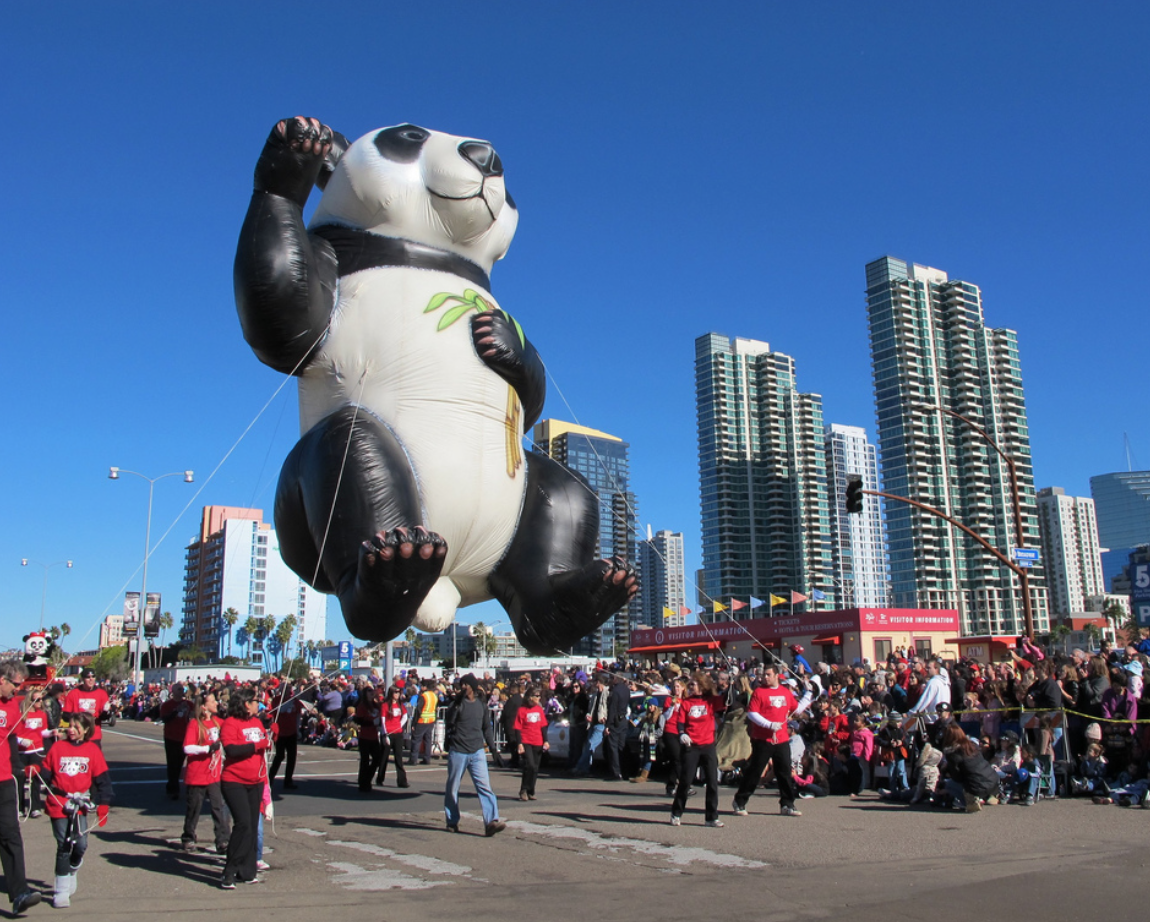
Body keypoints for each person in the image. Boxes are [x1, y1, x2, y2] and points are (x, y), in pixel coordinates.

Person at [39, 713, 112, 908]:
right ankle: (61, 890)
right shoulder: (57, 747)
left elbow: (102, 779)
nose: (71, 729)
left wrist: (103, 802)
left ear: (86, 729)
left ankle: (73, 866)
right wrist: (38, 777)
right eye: (69, 726)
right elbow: (45, 772)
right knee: (63, 844)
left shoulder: (92, 750)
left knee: (80, 844)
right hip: (59, 802)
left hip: (80, 804)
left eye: (76, 726)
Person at [732, 664, 811, 818]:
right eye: (763, 675)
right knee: (755, 771)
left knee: (784, 772)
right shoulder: (759, 692)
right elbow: (752, 713)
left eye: (768, 675)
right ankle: (740, 801)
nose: (764, 678)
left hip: (781, 739)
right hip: (763, 739)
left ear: (776, 676)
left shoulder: (785, 692)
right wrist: (768, 724)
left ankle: (787, 804)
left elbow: (796, 709)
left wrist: (808, 694)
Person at [219, 687, 271, 889]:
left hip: (255, 781)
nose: (257, 704)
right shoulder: (230, 724)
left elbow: (262, 742)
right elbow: (231, 749)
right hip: (234, 780)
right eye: (254, 701)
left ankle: (247, 871)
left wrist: (269, 737)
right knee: (243, 825)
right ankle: (229, 870)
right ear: (245, 704)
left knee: (252, 826)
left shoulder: (257, 722)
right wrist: (257, 745)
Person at [0, 661, 41, 913]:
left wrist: (19, 766)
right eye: (15, 685)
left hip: (4, 780)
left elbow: (13, 736)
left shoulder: (12, 706)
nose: (18, 691)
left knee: (10, 836)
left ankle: (19, 893)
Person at [443, 675, 504, 836]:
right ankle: (452, 820)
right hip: (458, 750)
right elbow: (449, 722)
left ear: (472, 686)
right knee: (452, 787)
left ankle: (491, 821)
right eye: (461, 685)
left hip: (477, 751)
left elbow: (486, 728)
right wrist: (454, 705)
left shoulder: (481, 705)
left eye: (465, 685)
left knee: (484, 787)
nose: (462, 687)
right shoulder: (457, 705)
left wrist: (493, 750)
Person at [670, 673, 726, 827]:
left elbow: (728, 700)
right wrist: (682, 734)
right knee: (686, 782)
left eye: (693, 684)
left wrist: (728, 683)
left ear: (702, 686)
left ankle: (711, 817)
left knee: (712, 782)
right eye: (690, 684)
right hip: (691, 746)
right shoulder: (686, 703)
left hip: (708, 745)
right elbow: (681, 723)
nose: (690, 687)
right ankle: (676, 812)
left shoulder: (711, 701)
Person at [181, 692, 230, 855]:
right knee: (194, 809)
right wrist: (207, 748)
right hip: (197, 775)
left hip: (214, 774)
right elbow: (187, 748)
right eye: (213, 701)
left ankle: (222, 840)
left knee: (219, 807)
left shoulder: (218, 722)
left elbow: (232, 728)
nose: (216, 703)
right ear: (203, 706)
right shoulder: (195, 724)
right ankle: (188, 837)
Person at [513, 686, 548, 800]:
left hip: (538, 741)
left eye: (539, 696)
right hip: (526, 740)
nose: (538, 698)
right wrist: (519, 743)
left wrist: (546, 740)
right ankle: (523, 789)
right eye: (536, 696)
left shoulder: (539, 710)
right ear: (530, 697)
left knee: (536, 768)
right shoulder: (522, 710)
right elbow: (517, 728)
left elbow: (543, 726)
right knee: (530, 765)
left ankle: (531, 790)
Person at [159, 684, 192, 800]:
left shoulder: (188, 704)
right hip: (171, 737)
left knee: (180, 763)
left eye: (182, 689)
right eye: (179, 689)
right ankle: (173, 788)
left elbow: (195, 716)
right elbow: (164, 719)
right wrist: (176, 711)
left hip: (184, 737)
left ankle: (176, 785)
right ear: (173, 691)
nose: (181, 691)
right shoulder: (167, 705)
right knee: (172, 763)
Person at [62, 670, 110, 749]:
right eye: (88, 677)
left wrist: (106, 711)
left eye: (93, 677)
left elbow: (104, 717)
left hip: (94, 735)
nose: (91, 679)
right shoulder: (73, 693)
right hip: (77, 734)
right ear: (83, 679)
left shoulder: (102, 693)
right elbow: (65, 716)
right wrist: (81, 716)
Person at [268, 683, 300, 790]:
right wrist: (287, 702)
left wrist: (297, 729)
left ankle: (288, 780)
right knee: (279, 755)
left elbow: (298, 715)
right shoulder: (277, 700)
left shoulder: (295, 701)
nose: (287, 691)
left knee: (292, 757)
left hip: (292, 732)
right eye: (285, 689)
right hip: (280, 732)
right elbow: (278, 710)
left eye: (289, 689)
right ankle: (270, 777)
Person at [376, 686, 410, 788]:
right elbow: (383, 720)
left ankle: (402, 781)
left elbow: (405, 715)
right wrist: (385, 734)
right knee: (384, 758)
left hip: (398, 733)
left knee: (398, 758)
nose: (397, 694)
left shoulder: (400, 705)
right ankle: (380, 778)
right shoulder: (385, 705)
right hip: (388, 733)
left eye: (398, 692)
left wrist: (400, 724)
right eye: (395, 692)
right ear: (391, 693)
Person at [354, 685, 382, 793]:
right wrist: (371, 723)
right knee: (365, 761)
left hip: (374, 736)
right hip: (365, 737)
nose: (371, 693)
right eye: (369, 691)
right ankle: (363, 782)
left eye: (372, 691)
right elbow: (360, 721)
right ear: (365, 694)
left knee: (377, 759)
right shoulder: (362, 706)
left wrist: (379, 723)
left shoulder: (375, 705)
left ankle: (368, 778)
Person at [604, 675, 631, 781]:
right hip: (623, 720)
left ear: (615, 679)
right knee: (621, 746)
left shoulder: (615, 691)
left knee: (613, 747)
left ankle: (616, 773)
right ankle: (625, 771)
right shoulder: (626, 689)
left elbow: (612, 709)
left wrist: (608, 725)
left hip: (615, 722)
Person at [409, 680, 438, 766]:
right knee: (428, 740)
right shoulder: (434, 696)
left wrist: (414, 723)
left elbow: (418, 710)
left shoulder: (423, 696)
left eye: (422, 686)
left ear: (425, 687)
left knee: (416, 740)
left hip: (422, 720)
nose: (421, 688)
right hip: (431, 720)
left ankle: (413, 759)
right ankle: (427, 758)